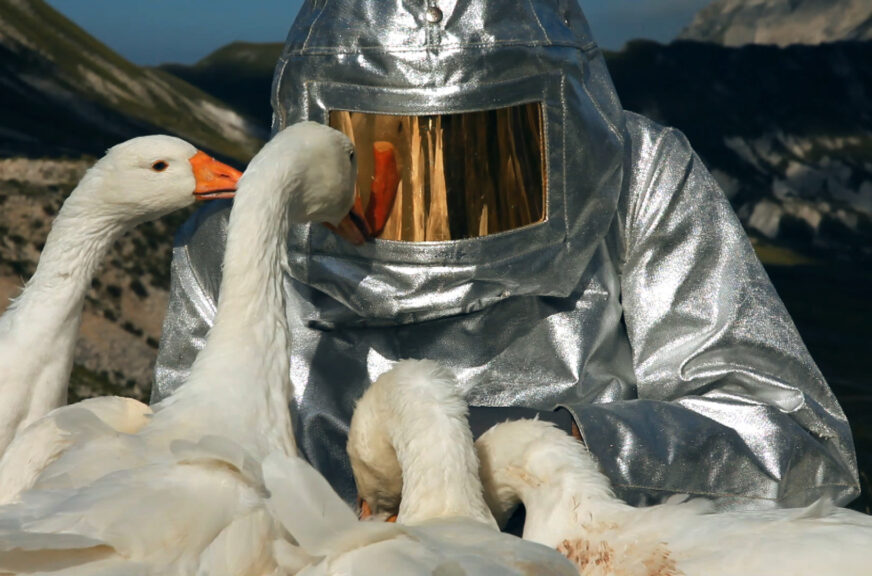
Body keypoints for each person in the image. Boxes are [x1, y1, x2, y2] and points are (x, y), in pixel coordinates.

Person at [154, 0, 859, 509]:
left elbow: (797, 448)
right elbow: (178, 476)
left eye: (482, 158)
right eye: (378, 157)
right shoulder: (243, 229)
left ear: (564, 126)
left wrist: (561, 442)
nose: (429, 197)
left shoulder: (635, 176)